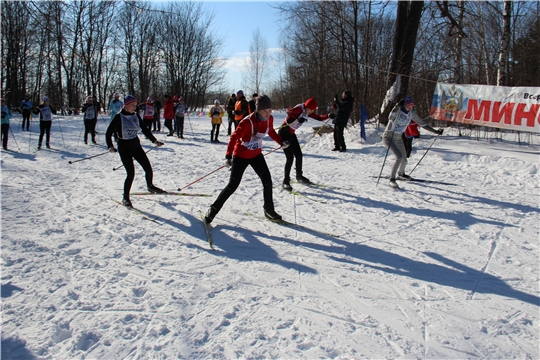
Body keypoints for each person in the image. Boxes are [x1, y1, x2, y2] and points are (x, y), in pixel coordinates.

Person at [204, 95, 288, 224]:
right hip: (241, 156)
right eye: (265, 111)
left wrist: (281, 141)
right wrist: (228, 156)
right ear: (257, 110)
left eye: (270, 110)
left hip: (256, 155)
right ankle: (213, 209)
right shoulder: (247, 122)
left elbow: (271, 132)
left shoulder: (269, 119)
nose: (268, 113)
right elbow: (233, 138)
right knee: (233, 185)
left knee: (267, 181)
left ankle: (268, 209)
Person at [105, 95, 165, 208]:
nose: (134, 107)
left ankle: (150, 186)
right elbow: (108, 133)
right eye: (132, 105)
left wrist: (154, 141)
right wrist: (110, 146)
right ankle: (125, 198)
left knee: (148, 168)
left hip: (136, 146)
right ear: (126, 105)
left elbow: (145, 129)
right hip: (124, 148)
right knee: (131, 173)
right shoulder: (119, 117)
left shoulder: (136, 116)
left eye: (135, 105)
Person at [383, 96, 443, 189]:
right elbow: (391, 116)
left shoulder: (411, 113)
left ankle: (401, 174)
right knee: (399, 157)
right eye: (408, 107)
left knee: (404, 159)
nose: (410, 108)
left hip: (398, 137)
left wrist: (435, 131)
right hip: (389, 136)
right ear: (404, 105)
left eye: (412, 106)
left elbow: (422, 124)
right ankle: (392, 180)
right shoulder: (398, 111)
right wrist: (397, 106)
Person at [279, 96, 329, 190]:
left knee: (299, 155)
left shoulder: (307, 111)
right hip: (283, 133)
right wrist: (298, 119)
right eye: (311, 110)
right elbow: (289, 112)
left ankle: (299, 176)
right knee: (290, 158)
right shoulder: (299, 109)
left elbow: (319, 118)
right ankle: (285, 181)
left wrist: (328, 115)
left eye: (313, 110)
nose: (311, 112)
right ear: (306, 106)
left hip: (291, 134)